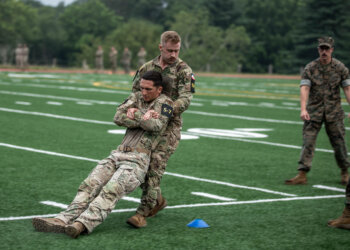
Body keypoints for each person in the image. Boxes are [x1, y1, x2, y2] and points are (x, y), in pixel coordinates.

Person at [32, 71, 174, 238]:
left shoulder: (166, 104)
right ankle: (63, 219)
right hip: (118, 153)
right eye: (142, 88)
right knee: (89, 184)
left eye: (148, 89)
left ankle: (82, 223)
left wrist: (134, 113)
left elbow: (156, 126)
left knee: (111, 189)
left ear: (159, 89)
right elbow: (118, 117)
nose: (143, 92)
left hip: (138, 160)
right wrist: (143, 117)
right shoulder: (137, 97)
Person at [126, 31, 195, 228]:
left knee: (155, 166)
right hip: (146, 124)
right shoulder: (147, 67)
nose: (173, 54)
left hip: (169, 127)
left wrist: (164, 112)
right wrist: (131, 110)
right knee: (138, 165)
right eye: (169, 50)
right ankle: (157, 200)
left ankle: (142, 213)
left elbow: (185, 99)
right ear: (161, 47)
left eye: (176, 50)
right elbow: (135, 93)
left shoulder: (184, 70)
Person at [285, 37, 350, 186]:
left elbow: (347, 89)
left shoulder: (340, 68)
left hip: (334, 112)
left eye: (327, 49)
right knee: (308, 142)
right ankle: (302, 174)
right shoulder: (310, 68)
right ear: (318, 50)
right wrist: (303, 108)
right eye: (322, 49)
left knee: (339, 143)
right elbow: (304, 88)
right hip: (313, 112)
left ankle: (345, 171)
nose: (324, 52)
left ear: (332, 50)